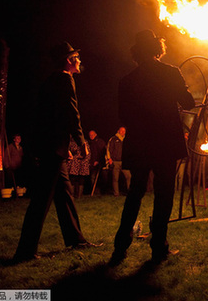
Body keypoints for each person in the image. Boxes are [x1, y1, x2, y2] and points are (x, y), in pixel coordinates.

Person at [110, 30, 195, 265]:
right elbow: (189, 103)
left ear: (136, 52)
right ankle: (159, 247)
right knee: (164, 192)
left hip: (139, 143)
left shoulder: (127, 80)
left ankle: (120, 247)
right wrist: (182, 88)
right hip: (165, 142)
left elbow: (123, 115)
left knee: (135, 192)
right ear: (158, 48)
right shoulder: (170, 72)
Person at [14, 41, 101, 262]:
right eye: (76, 57)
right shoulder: (64, 79)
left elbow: (50, 116)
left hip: (53, 147)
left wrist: (61, 146)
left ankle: (76, 239)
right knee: (41, 200)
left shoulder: (51, 80)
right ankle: (25, 251)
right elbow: (72, 113)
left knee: (65, 196)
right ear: (68, 61)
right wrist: (80, 142)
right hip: (52, 148)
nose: (80, 61)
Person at [107, 127, 132, 196]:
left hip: (124, 161)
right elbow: (108, 149)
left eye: (124, 131)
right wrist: (109, 158)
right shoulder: (113, 139)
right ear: (118, 131)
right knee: (115, 178)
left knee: (128, 176)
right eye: (121, 131)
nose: (123, 132)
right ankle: (116, 193)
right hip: (115, 161)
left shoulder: (127, 139)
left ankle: (129, 192)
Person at [88, 130, 106, 195]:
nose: (91, 136)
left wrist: (98, 160)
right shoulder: (89, 142)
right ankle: (94, 191)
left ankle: (100, 191)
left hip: (99, 163)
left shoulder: (100, 142)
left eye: (92, 135)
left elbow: (102, 152)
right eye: (90, 135)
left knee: (99, 178)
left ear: (95, 134)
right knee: (92, 178)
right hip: (92, 163)